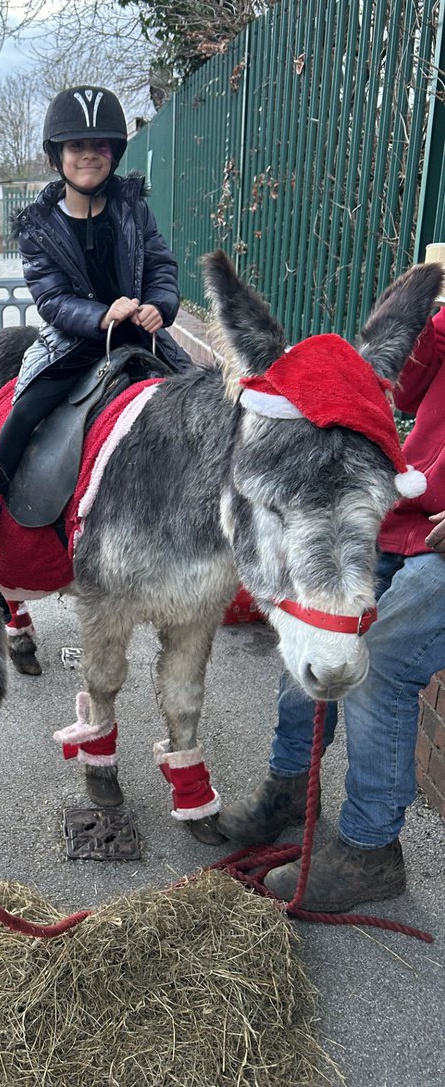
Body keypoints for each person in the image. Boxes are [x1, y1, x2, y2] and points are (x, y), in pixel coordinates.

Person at [217, 298, 445, 911]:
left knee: (382, 661)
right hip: (411, 512)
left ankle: (370, 852)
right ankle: (291, 785)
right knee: (316, 620)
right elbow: (403, 397)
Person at [0, 85, 191, 498]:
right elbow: (51, 299)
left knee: (202, 396)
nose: (89, 155)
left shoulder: (134, 208)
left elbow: (160, 266)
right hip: (75, 341)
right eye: (76, 145)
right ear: (56, 156)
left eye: (100, 145)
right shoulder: (38, 228)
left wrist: (158, 306)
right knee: (25, 412)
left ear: (114, 152)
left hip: (141, 334)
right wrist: (100, 315)